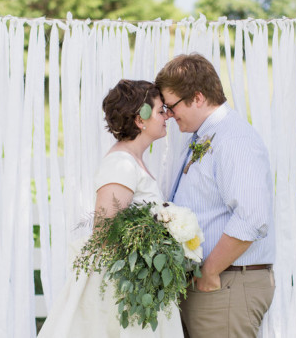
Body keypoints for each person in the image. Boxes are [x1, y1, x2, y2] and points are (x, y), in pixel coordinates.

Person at [37, 79, 184, 338]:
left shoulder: (134, 161)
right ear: (141, 120)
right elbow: (106, 234)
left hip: (142, 286)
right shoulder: (121, 164)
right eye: (162, 111)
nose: (167, 116)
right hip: (126, 293)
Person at [155, 53, 276, 338]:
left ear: (197, 98)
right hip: (218, 282)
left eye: (171, 107)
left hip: (228, 282)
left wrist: (209, 272)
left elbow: (252, 218)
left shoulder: (233, 139)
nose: (169, 116)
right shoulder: (206, 136)